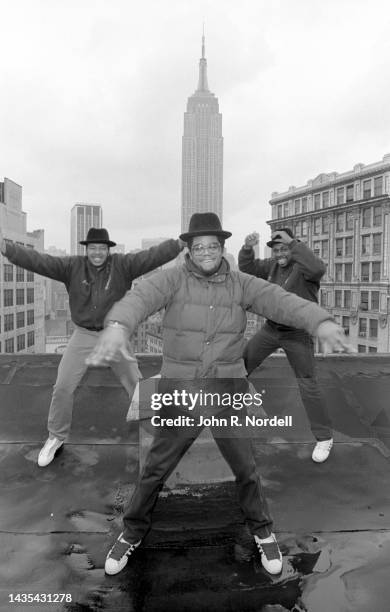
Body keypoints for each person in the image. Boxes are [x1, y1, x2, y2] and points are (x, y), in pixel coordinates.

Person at [86, 212, 352, 577]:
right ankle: (132, 530)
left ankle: (262, 531)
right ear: (189, 251)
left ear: (222, 248)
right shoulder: (173, 279)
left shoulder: (241, 284)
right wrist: (118, 325)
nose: (207, 252)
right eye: (199, 247)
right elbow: (140, 298)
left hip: (226, 388)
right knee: (155, 469)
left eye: (213, 246)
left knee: (245, 468)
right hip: (181, 389)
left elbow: (281, 301)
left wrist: (318, 320)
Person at [0, 225, 183, 466]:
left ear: (108, 249)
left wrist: (178, 245)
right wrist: (7, 249)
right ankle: (56, 436)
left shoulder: (123, 265)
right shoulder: (72, 267)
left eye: (102, 248)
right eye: (93, 248)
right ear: (86, 249)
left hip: (114, 333)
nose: (97, 253)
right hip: (83, 335)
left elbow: (151, 257)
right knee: (63, 386)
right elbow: (39, 261)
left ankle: (155, 431)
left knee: (136, 383)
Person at [238, 227, 334, 463]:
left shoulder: (304, 270)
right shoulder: (272, 266)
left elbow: (318, 268)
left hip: (297, 333)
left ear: (292, 248)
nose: (280, 253)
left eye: (284, 248)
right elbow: (247, 268)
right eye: (276, 249)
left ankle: (324, 438)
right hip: (271, 330)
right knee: (240, 366)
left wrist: (294, 244)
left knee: (307, 384)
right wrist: (247, 248)